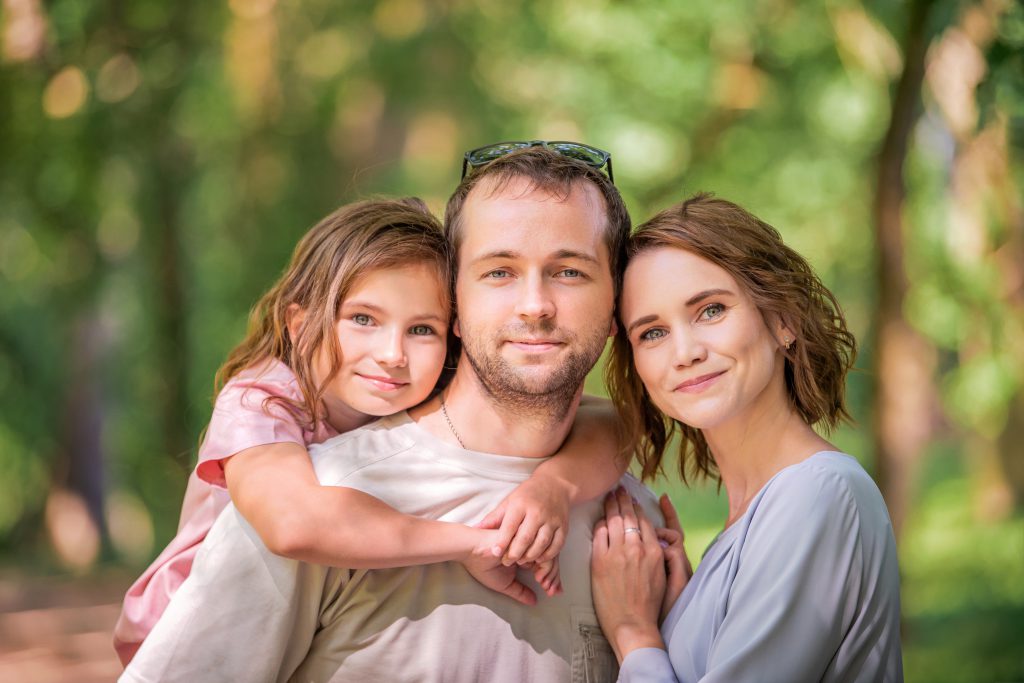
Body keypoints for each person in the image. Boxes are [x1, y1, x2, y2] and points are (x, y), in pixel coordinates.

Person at [120, 143, 659, 683]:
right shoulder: (301, 464)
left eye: (569, 272)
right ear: (459, 304)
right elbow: (291, 524)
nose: (534, 305)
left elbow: (613, 422)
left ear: (617, 306)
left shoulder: (629, 525)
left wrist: (562, 490)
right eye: (499, 272)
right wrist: (476, 542)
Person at [591, 193, 903, 682]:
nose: (685, 352)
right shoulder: (756, 517)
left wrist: (634, 635)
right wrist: (686, 615)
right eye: (652, 333)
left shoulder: (819, 493)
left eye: (711, 310)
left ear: (783, 320)